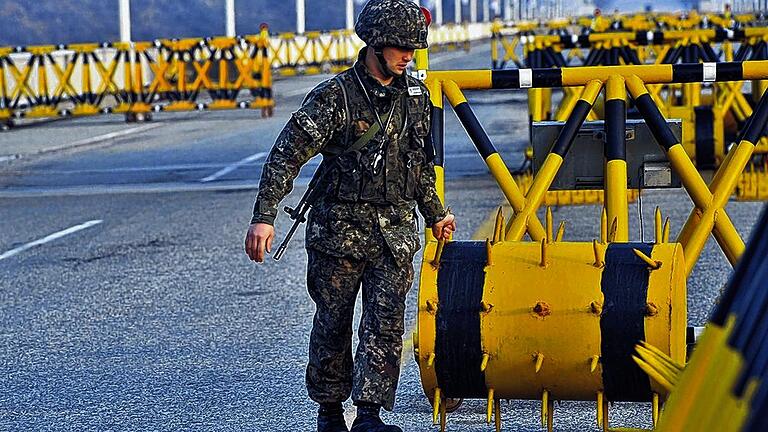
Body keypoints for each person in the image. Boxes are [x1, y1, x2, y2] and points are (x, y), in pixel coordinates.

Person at [244, 1, 456, 431]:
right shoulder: (335, 97)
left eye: (413, 48)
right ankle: (328, 412)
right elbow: (287, 156)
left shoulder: (415, 98)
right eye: (399, 47)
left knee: (385, 325)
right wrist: (264, 216)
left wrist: (435, 213)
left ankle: (370, 416)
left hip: (394, 234)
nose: (408, 56)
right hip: (339, 234)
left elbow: (418, 163)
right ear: (375, 44)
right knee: (333, 324)